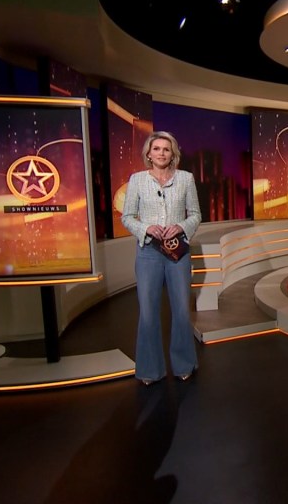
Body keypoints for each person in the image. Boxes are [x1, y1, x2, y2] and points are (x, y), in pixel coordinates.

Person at [121, 131, 202, 385]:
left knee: (181, 311)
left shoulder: (186, 179)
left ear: (173, 153)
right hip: (148, 252)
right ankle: (150, 370)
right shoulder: (137, 180)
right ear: (148, 153)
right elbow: (127, 217)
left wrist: (180, 226)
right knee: (148, 312)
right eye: (156, 148)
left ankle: (184, 364)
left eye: (166, 149)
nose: (161, 153)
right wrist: (146, 228)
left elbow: (196, 214)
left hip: (177, 252)